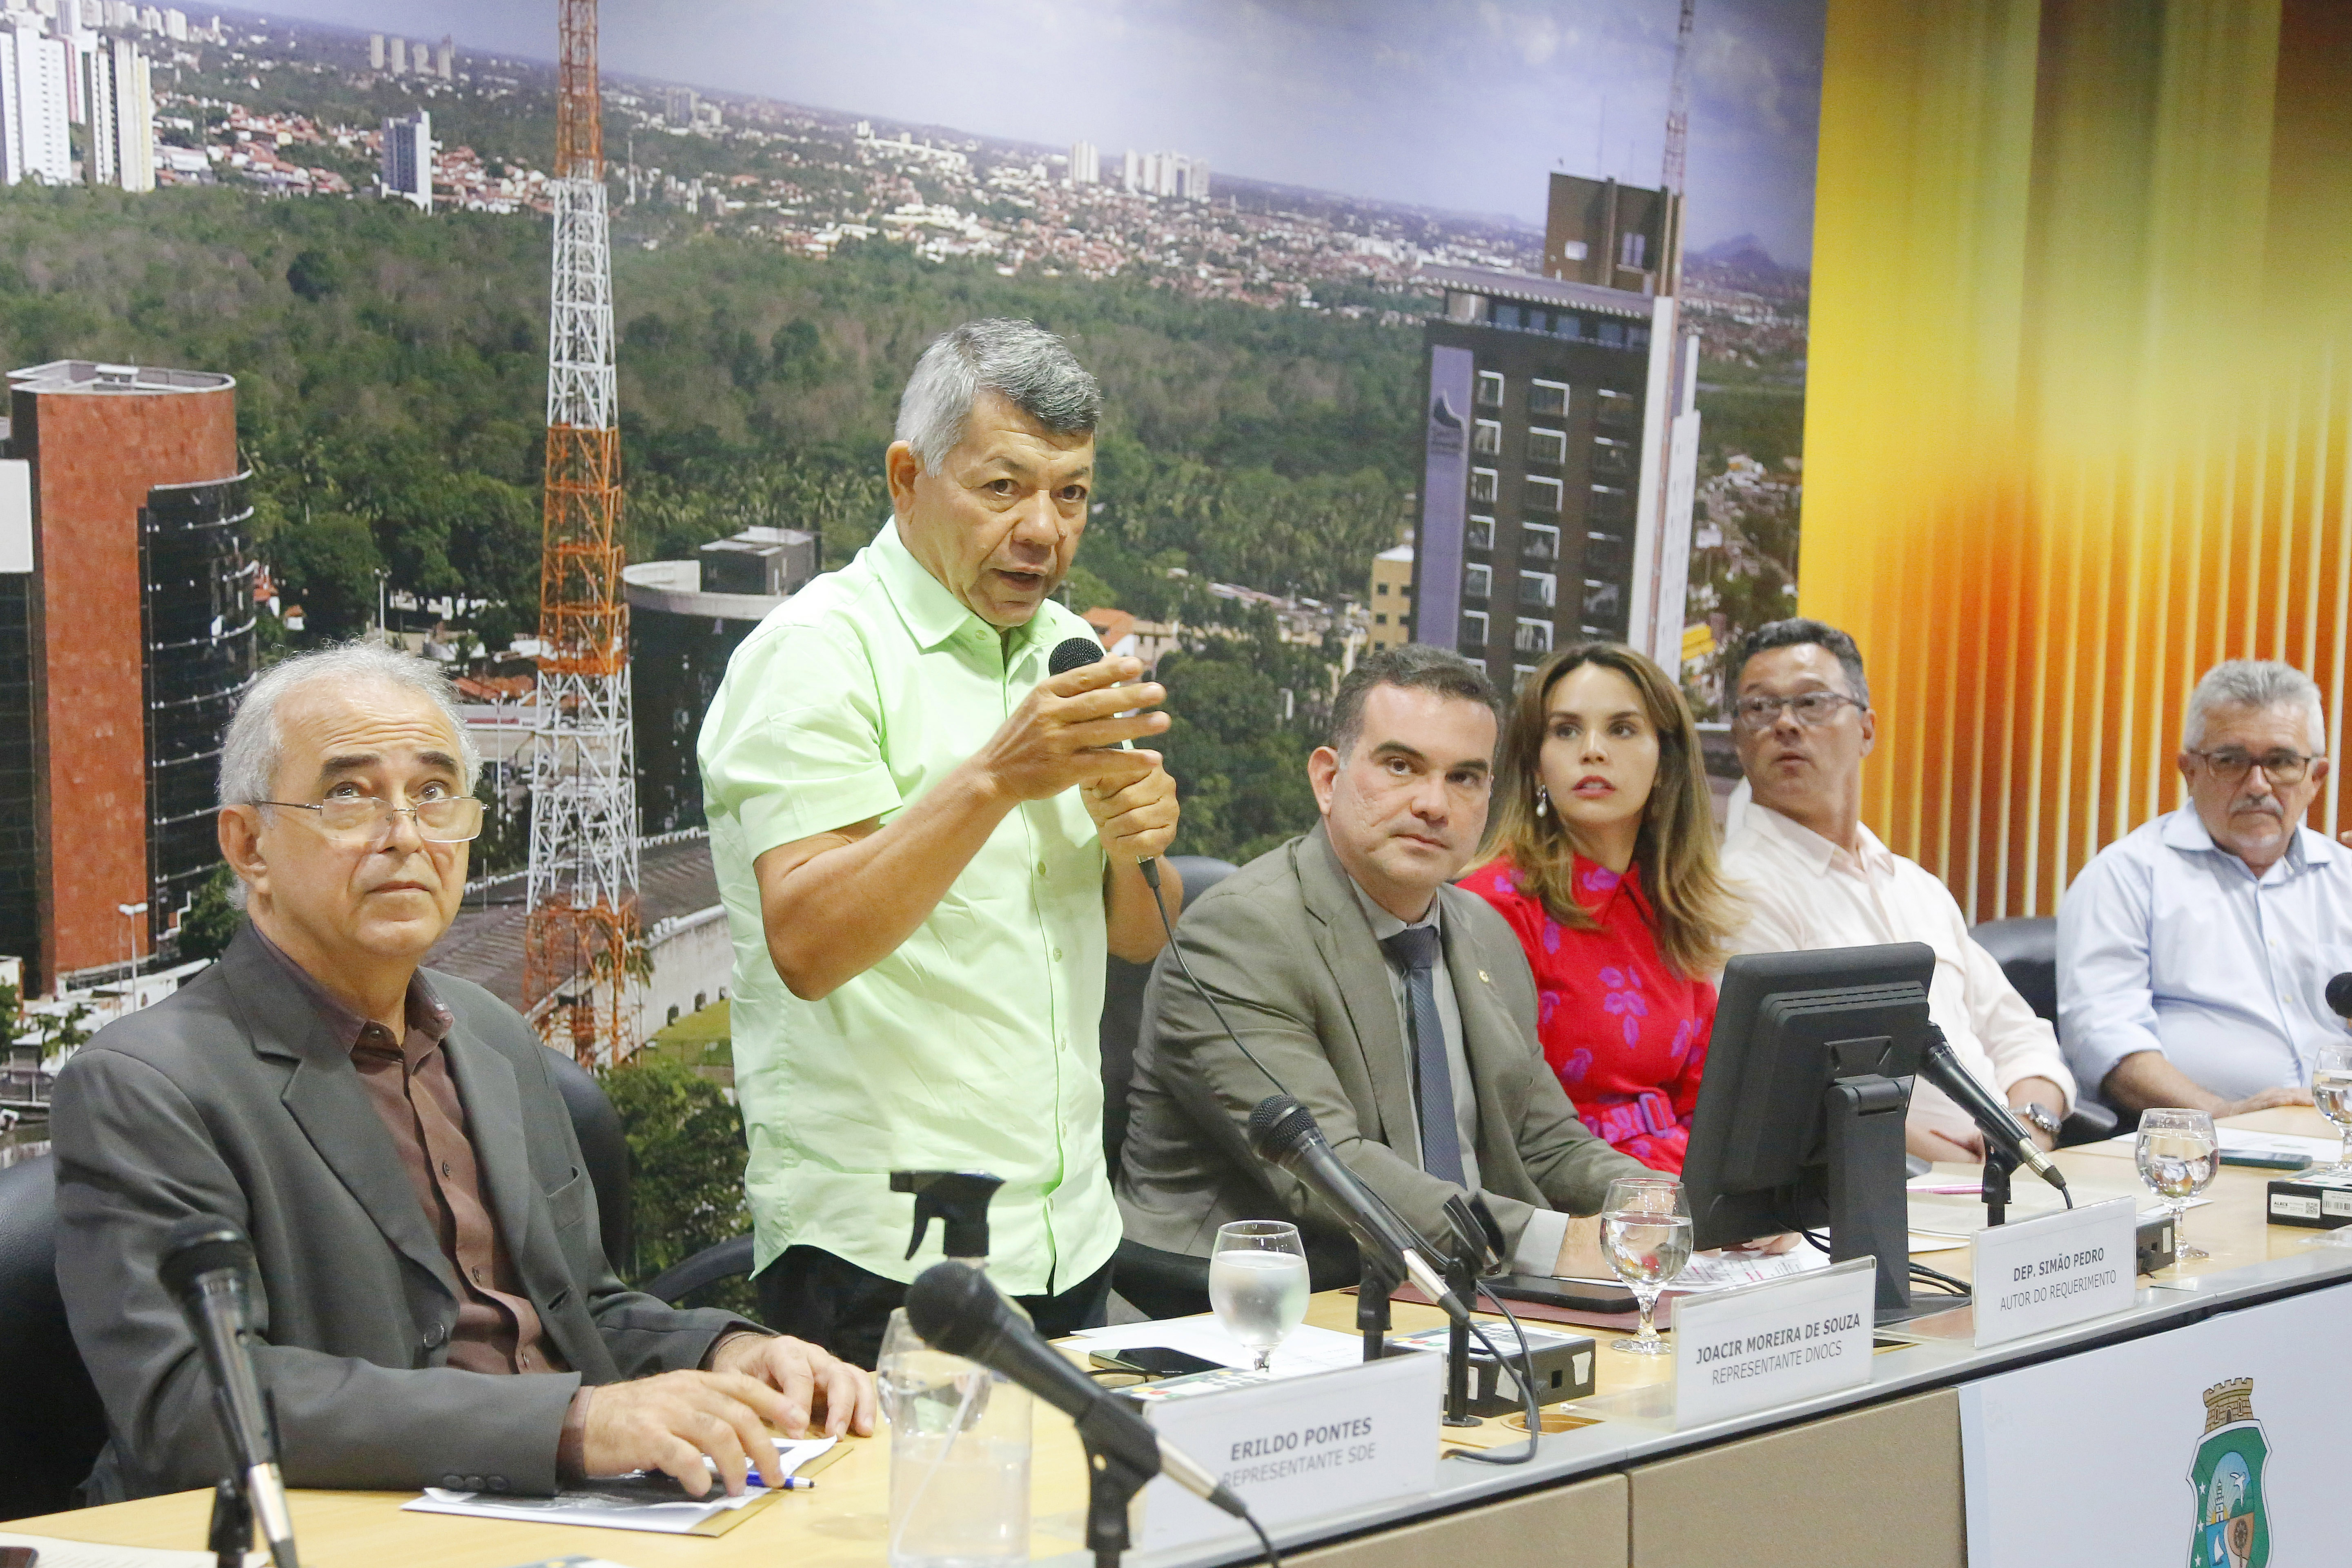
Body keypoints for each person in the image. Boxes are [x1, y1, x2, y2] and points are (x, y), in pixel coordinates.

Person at [51, 645, 873, 1503]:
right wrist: (570, 1427)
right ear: (249, 845)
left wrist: (729, 1355)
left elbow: (580, 1313)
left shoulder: (486, 1034)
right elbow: (192, 1406)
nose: (406, 835)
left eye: (435, 793)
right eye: (349, 794)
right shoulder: (147, 1085)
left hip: (564, 1518)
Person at [699, 319, 1181, 1367]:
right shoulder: (816, 655)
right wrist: (994, 777)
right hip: (886, 1252)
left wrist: (1136, 843)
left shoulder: (1066, 650)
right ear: (907, 479)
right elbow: (808, 942)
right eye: (1003, 488)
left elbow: (1139, 936)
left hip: (1066, 1234)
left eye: (1072, 494)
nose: (1043, 530)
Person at [1117, 647, 1647, 1288]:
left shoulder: (1485, 932)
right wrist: (1558, 1243)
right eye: (1401, 766)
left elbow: (1546, 1142)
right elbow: (1327, 1169)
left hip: (1460, 1294)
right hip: (1257, 1302)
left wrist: (1657, 1208)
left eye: (1465, 778)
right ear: (1327, 779)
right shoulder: (1240, 934)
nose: (1434, 804)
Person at [1718, 619, 2076, 1161]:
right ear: (1739, 742)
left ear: (1867, 730)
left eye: (1811, 702)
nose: (1785, 724)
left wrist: (2028, 1128)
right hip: (1889, 1185)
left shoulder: (1917, 887)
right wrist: (1958, 1161)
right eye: (1760, 708)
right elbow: (1795, 1094)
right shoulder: (1736, 891)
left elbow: (2020, 1035)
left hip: (2012, 1170)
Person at [1462, 643, 1744, 1173]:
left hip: (1682, 1188)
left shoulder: (1671, 906)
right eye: (1566, 731)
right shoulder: (1495, 905)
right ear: (1537, 766)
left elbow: (1711, 1100)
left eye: (1622, 729)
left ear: (1665, 764)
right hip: (1570, 1192)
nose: (1592, 751)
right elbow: (1503, 1126)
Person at [2058, 659, 2343, 1116]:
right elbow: (2104, 1038)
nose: (2258, 785)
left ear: (2316, 778)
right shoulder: (2126, 876)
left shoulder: (2345, 878)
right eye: (2230, 761)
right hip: (2199, 1142)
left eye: (2281, 762)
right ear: (2189, 771)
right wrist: (2221, 1115)